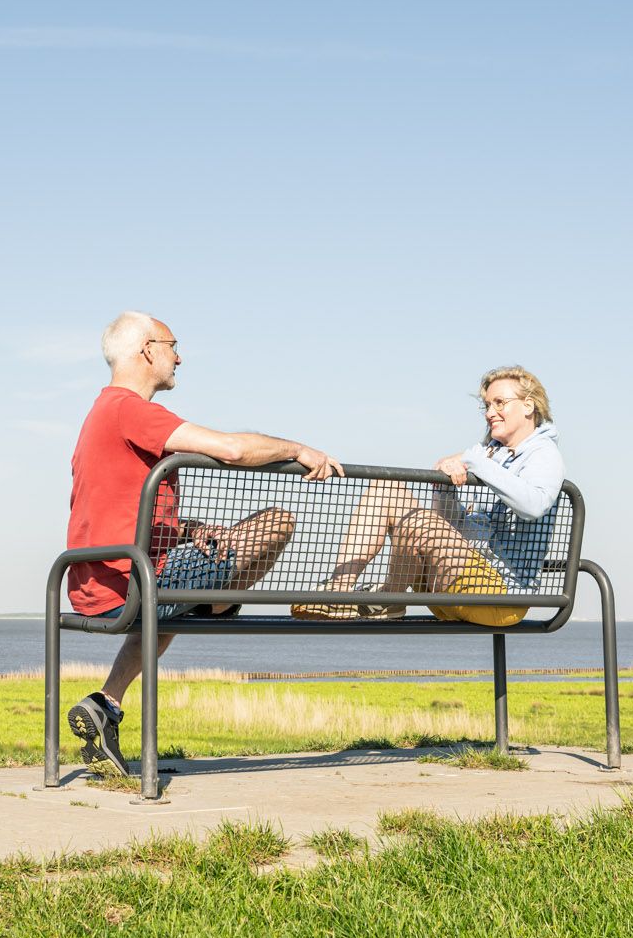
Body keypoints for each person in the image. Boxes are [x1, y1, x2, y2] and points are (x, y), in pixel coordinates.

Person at [64, 311, 340, 775]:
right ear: (147, 350)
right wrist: (298, 450)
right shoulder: (130, 409)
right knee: (277, 522)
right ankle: (217, 602)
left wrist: (189, 530)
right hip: (136, 582)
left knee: (178, 593)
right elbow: (230, 449)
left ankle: (105, 704)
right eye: (173, 345)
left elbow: (120, 508)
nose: (180, 356)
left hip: (103, 580)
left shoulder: (100, 413)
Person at [293, 366, 564, 627]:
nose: (490, 412)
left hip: (500, 598)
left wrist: (474, 462)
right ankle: (338, 592)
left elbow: (534, 505)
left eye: (500, 403)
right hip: (452, 582)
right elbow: (448, 524)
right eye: (487, 405)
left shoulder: (542, 453)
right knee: (387, 488)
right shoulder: (489, 453)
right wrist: (446, 486)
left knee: (420, 522)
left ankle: (390, 598)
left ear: (528, 406)